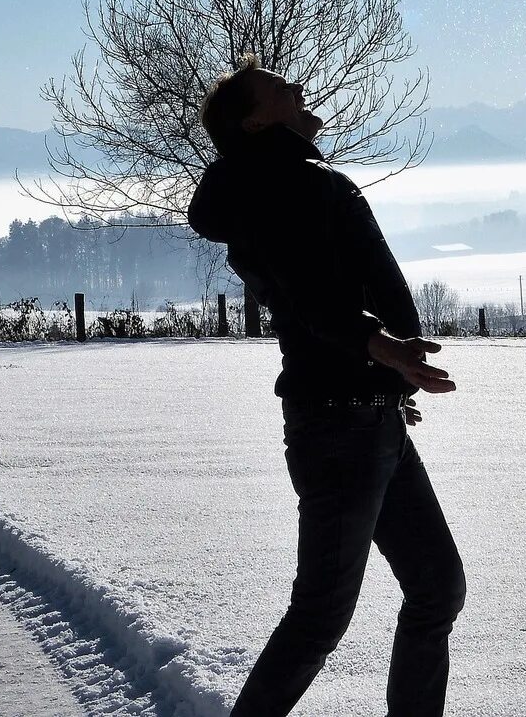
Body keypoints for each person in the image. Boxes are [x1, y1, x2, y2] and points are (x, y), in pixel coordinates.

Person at [187, 54, 465, 717]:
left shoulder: (285, 182)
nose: (299, 88)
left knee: (435, 585)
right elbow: (313, 298)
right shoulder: (282, 188)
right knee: (320, 619)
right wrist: (384, 347)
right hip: (340, 428)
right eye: (281, 89)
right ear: (256, 120)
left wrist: (387, 373)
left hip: (371, 420)